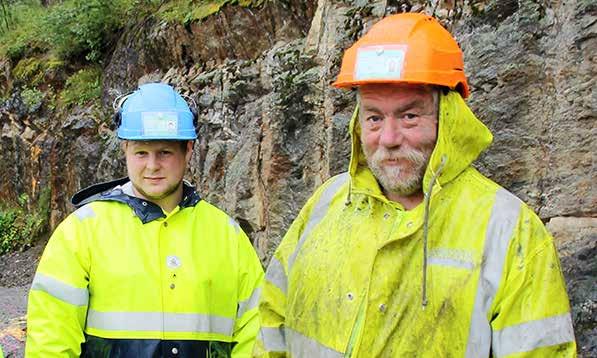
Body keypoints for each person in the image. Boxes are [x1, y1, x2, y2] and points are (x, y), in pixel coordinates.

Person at [256, 13, 576, 357]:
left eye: (409, 116)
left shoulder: (509, 230)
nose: (389, 139)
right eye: (374, 118)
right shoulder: (327, 203)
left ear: (448, 116)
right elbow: (272, 323)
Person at [26, 83, 264, 357]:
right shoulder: (82, 231)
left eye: (164, 152)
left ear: (188, 150)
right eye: (141, 153)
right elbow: (51, 337)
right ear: (125, 149)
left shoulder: (226, 235)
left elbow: (255, 332)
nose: (152, 165)